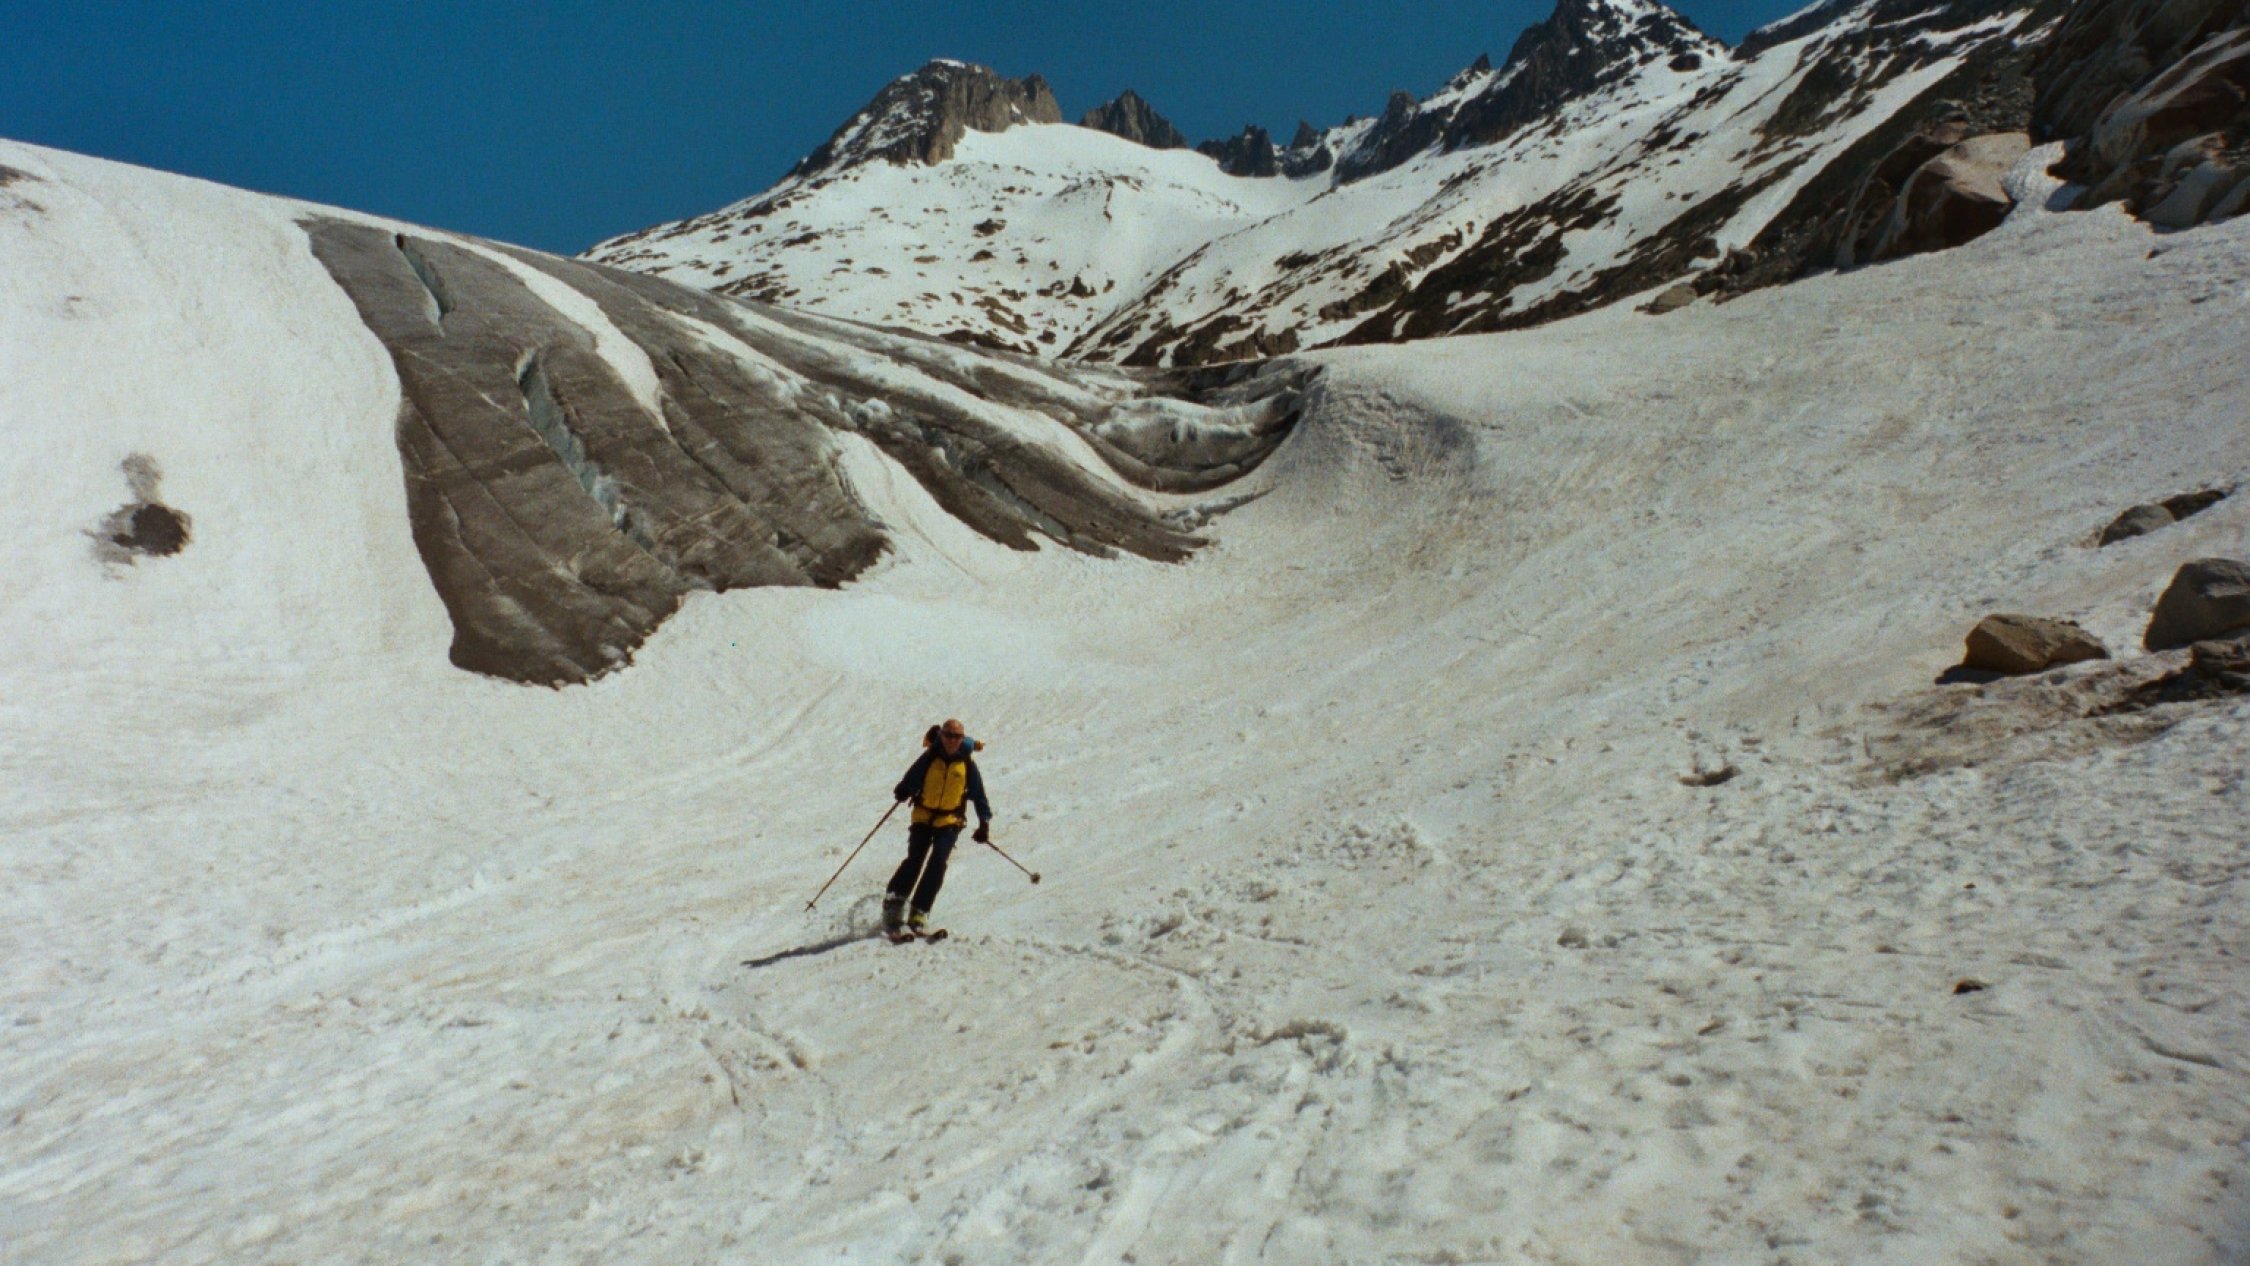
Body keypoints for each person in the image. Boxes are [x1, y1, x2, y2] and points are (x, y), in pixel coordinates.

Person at [884, 718, 992, 937]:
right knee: (915, 860)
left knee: (938, 863)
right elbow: (912, 777)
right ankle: (894, 905)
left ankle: (919, 912)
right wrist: (904, 789)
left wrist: (984, 824)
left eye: (957, 737)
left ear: (962, 739)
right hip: (923, 817)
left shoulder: (967, 764)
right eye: (948, 735)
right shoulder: (930, 757)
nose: (952, 740)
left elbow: (978, 795)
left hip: (950, 821)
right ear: (941, 736)